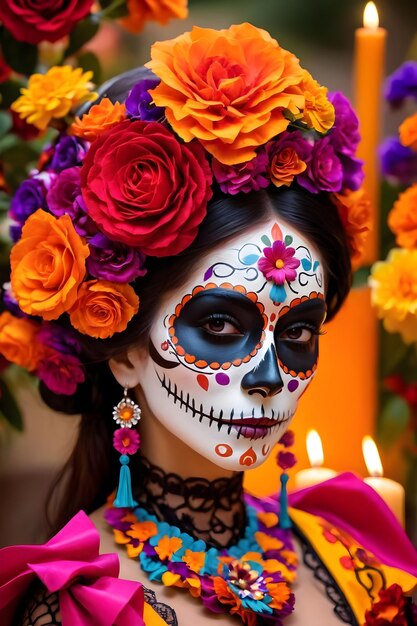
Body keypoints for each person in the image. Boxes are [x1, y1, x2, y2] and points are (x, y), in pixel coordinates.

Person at [0, 22, 416, 626]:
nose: (270, 377)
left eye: (298, 332)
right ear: (123, 349)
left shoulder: (356, 555)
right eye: (221, 327)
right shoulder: (83, 607)